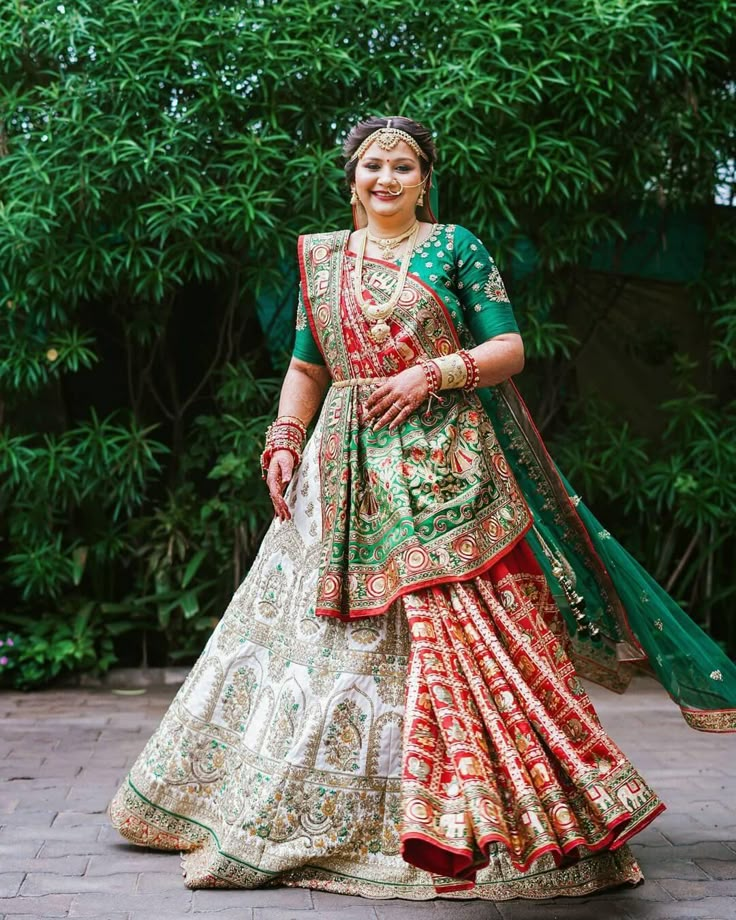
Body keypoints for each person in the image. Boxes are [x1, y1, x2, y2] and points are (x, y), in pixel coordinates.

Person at [110, 116, 736, 901]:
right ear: (351, 177)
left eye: (402, 167)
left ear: (424, 178)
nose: (386, 180)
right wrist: (282, 439)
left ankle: (489, 818)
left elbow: (508, 349)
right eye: (373, 166)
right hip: (342, 471)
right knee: (313, 643)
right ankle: (314, 806)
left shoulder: (456, 247)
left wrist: (432, 373)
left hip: (448, 467)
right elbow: (307, 365)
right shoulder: (324, 258)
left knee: (476, 632)